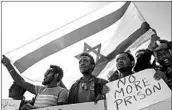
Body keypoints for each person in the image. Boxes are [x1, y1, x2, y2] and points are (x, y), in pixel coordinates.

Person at [1, 55, 68, 109]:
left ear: (56, 75)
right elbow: (21, 82)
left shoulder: (62, 91)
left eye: (48, 73)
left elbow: (61, 109)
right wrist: (8, 65)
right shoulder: (40, 89)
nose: (45, 75)